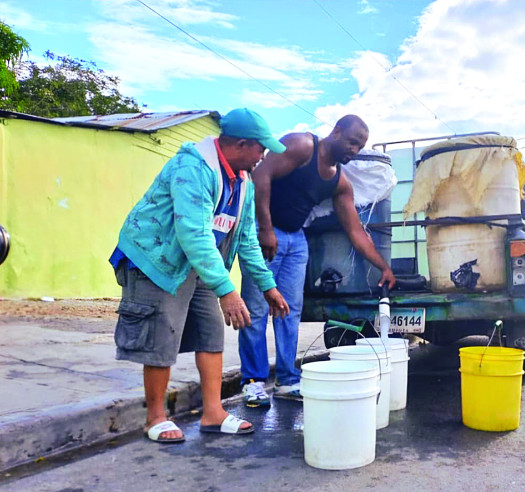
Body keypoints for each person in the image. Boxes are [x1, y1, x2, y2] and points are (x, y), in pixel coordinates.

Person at [110, 108, 290, 443]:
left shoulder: (244, 181)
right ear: (240, 144)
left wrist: (268, 286)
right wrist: (227, 289)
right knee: (162, 334)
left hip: (203, 263)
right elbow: (193, 233)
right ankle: (156, 418)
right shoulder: (193, 167)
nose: (263, 157)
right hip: (157, 259)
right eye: (260, 149)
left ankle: (213, 412)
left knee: (211, 332)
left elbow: (247, 237)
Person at [238, 115, 396, 404]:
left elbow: (355, 231)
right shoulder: (302, 146)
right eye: (352, 142)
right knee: (257, 308)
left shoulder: (340, 182)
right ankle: (253, 381)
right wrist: (265, 227)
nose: (355, 151)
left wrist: (384, 266)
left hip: (297, 240)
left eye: (360, 147)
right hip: (262, 234)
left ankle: (286, 380)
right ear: (336, 132)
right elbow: (260, 176)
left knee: (289, 311)